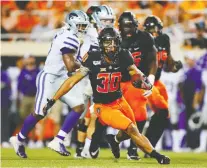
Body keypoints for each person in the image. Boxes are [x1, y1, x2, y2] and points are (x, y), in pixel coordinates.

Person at [44, 27, 170, 165]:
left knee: (131, 132)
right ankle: (158, 156)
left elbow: (135, 71)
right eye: (107, 43)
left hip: (120, 100)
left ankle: (114, 140)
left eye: (114, 42)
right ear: (101, 43)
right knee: (132, 129)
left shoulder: (124, 55)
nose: (111, 46)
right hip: (103, 107)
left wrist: (145, 82)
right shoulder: (93, 58)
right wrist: (53, 99)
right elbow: (72, 81)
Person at [9, 10, 90, 158]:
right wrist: (84, 63)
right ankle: (19, 139)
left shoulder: (67, 33)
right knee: (40, 112)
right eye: (79, 25)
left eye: (84, 25)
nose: (82, 29)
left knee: (78, 107)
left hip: (62, 77)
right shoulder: (69, 37)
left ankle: (58, 140)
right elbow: (71, 66)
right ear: (71, 24)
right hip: (50, 78)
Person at [89, 11, 157, 160]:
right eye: (124, 26)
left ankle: (132, 148)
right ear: (119, 26)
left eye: (130, 26)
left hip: (134, 81)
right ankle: (95, 142)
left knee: (139, 116)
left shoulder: (145, 37)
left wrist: (149, 79)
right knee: (102, 118)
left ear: (135, 24)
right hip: (115, 81)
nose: (127, 30)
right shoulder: (113, 39)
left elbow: (153, 58)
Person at [76, 5, 116, 158]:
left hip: (101, 76)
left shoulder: (111, 33)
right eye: (105, 20)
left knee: (91, 115)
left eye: (110, 20)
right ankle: (82, 147)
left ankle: (85, 147)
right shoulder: (90, 32)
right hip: (88, 75)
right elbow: (82, 56)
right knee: (85, 114)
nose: (108, 23)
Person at [143, 15, 183, 156]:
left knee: (163, 114)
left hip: (157, 81)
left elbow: (168, 63)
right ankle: (141, 146)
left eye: (156, 29)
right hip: (144, 81)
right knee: (141, 115)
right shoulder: (142, 41)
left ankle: (148, 146)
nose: (154, 32)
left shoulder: (164, 39)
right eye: (151, 30)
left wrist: (175, 66)